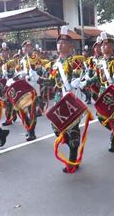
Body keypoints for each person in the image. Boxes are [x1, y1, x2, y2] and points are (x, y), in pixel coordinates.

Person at [43, 26, 85, 173]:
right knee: (57, 128)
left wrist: (78, 81)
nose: (60, 45)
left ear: (70, 46)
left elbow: (81, 74)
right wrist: (38, 79)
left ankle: (73, 159)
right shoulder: (54, 64)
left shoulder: (76, 60)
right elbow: (51, 81)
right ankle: (73, 147)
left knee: (73, 129)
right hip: (59, 99)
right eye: (59, 43)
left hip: (72, 98)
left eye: (64, 43)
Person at [87, 32, 114, 152]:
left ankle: (113, 140)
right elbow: (96, 78)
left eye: (108, 45)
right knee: (100, 116)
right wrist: (86, 82)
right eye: (103, 45)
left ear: (112, 47)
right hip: (104, 91)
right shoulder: (99, 62)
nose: (105, 47)